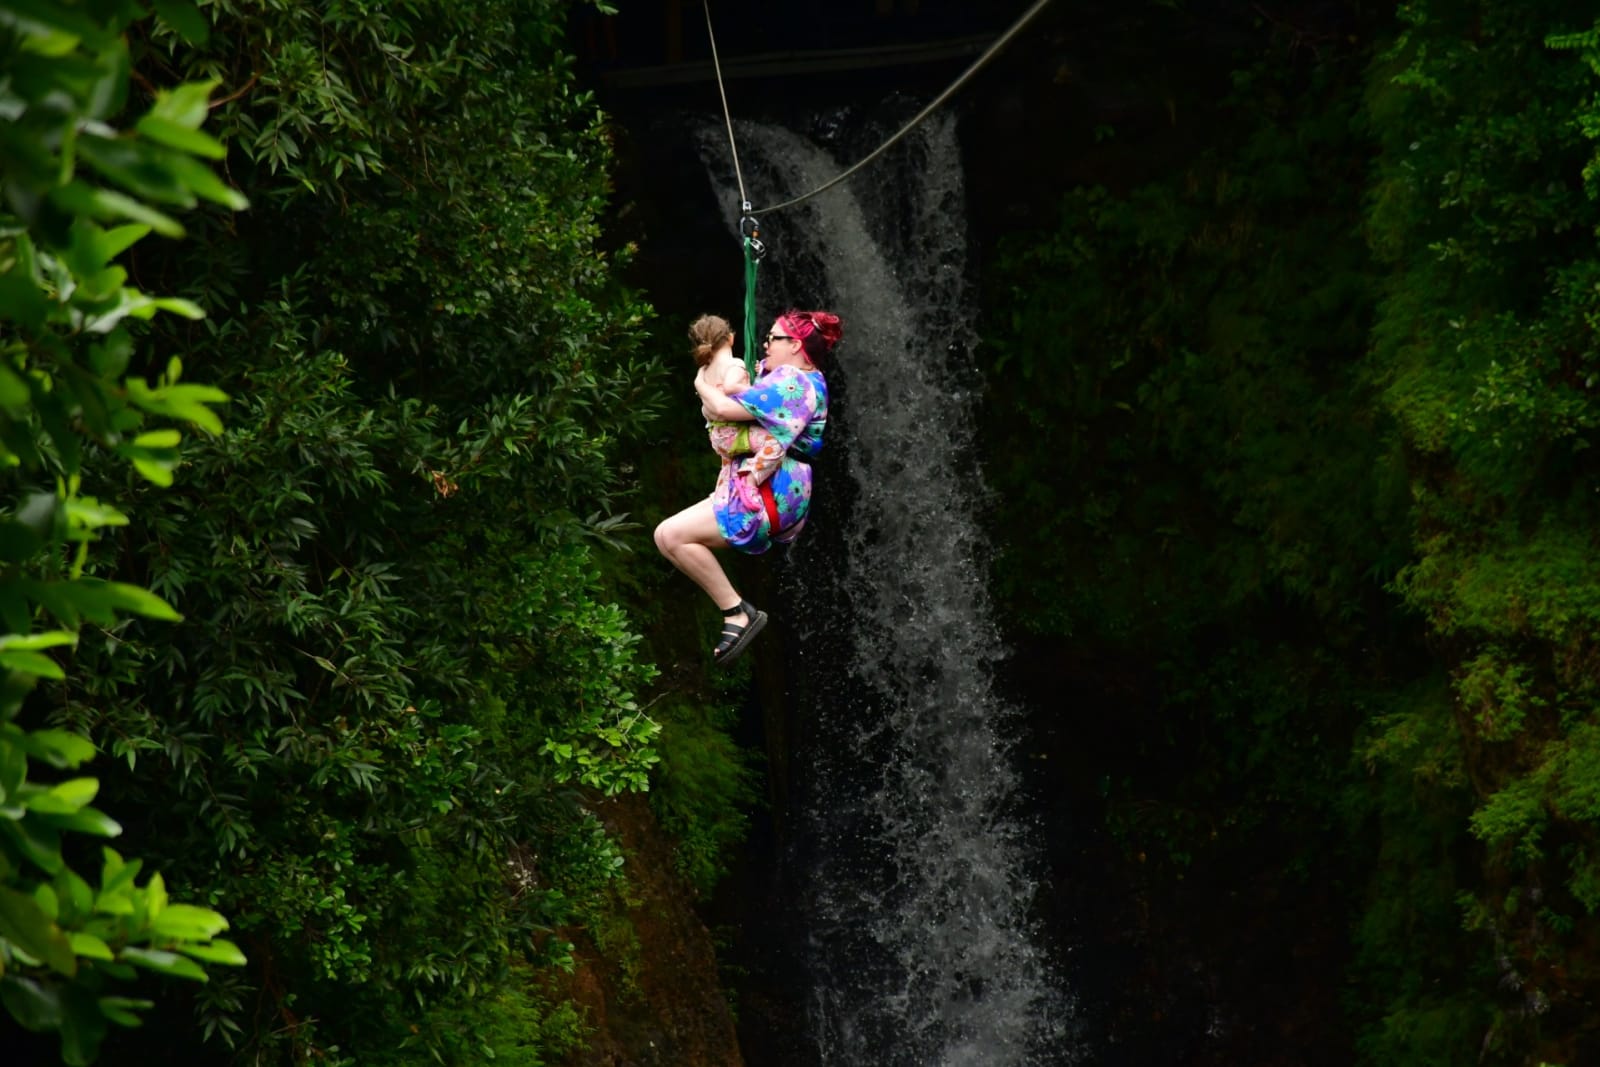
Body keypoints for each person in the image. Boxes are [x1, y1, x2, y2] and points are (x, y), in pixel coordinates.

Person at [654, 308, 841, 665]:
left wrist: (700, 384)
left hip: (769, 489)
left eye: (774, 338)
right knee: (667, 536)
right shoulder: (793, 378)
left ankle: (738, 613)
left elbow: (723, 407)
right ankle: (737, 612)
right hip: (770, 487)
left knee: (672, 536)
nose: (766, 344)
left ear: (796, 344)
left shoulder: (794, 381)